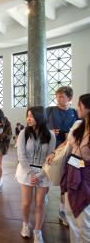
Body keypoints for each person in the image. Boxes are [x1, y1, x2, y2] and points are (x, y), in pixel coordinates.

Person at [15, 106, 56, 243]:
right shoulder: (23, 133)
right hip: (26, 171)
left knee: (40, 203)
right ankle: (25, 224)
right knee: (26, 202)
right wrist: (32, 174)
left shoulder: (50, 135)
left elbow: (50, 157)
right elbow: (21, 156)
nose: (28, 118)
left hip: (43, 172)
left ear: (40, 117)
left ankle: (37, 231)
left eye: (32, 116)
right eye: (28, 115)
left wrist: (40, 175)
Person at [60, 94, 90, 243]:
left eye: (80, 106)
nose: (77, 108)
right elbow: (68, 145)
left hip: (86, 180)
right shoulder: (78, 125)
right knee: (70, 216)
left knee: (84, 222)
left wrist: (82, 166)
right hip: (72, 176)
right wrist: (54, 153)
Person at [46, 86, 78, 226]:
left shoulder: (74, 113)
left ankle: (62, 210)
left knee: (65, 179)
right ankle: (43, 199)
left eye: (62, 97)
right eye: (57, 96)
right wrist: (50, 131)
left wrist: (69, 136)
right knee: (47, 174)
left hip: (68, 150)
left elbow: (77, 130)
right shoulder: (50, 110)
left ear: (69, 98)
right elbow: (41, 127)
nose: (58, 99)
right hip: (51, 147)